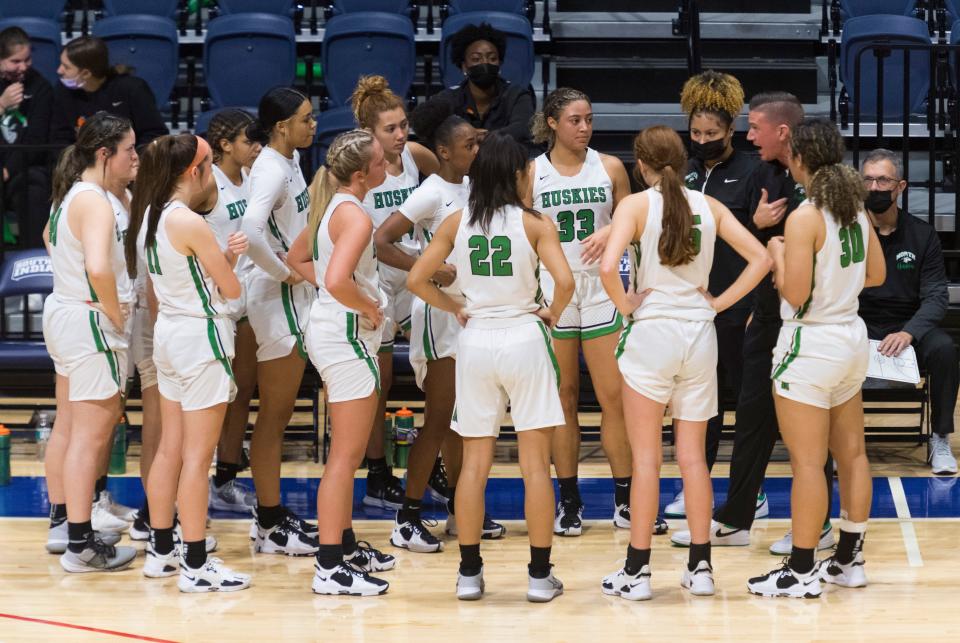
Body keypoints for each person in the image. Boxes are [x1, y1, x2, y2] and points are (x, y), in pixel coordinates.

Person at [598, 126, 769, 600]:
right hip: (699, 334)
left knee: (648, 459)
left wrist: (627, 306)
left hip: (652, 333)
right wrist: (717, 304)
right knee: (694, 460)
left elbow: (608, 266)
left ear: (640, 163)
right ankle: (701, 568)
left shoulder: (634, 205)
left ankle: (637, 572)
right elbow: (759, 259)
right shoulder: (709, 206)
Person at [408, 131, 573, 603]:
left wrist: (453, 305)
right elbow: (564, 281)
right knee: (534, 466)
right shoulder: (536, 223)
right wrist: (553, 313)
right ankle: (540, 578)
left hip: (476, 339)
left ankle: (469, 574)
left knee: (475, 465)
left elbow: (418, 278)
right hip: (524, 335)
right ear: (519, 174)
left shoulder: (457, 220)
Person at [671, 91, 835, 555]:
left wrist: (765, 234)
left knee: (806, 432)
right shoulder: (772, 172)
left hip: (805, 319)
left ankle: (820, 526)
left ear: (783, 132)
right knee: (753, 419)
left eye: (756, 127)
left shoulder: (813, 185)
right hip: (767, 315)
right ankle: (737, 516)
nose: (749, 135)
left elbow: (785, 252)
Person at [748, 117, 885, 598]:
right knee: (852, 454)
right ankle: (848, 560)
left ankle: (801, 568)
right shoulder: (856, 210)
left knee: (807, 463)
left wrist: (778, 254)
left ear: (800, 159)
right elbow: (876, 275)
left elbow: (797, 294)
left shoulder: (805, 216)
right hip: (851, 336)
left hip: (813, 342)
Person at [375, 100, 505, 547]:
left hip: (466, 311)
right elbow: (381, 240)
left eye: (477, 141)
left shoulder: (475, 187)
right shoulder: (430, 191)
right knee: (436, 420)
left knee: (460, 419)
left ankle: (457, 507)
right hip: (436, 312)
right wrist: (424, 265)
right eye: (468, 144)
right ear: (445, 152)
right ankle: (407, 517)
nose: (475, 149)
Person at [126, 133, 251, 592]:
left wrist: (223, 259)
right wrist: (231, 257)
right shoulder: (192, 224)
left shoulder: (148, 216)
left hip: (169, 336)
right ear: (193, 171)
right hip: (200, 337)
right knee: (198, 459)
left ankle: (161, 551)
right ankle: (195, 564)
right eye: (208, 164)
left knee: (170, 450)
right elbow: (230, 292)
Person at [287, 129, 396, 596]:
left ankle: (344, 544)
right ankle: (330, 566)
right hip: (346, 337)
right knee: (344, 459)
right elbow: (333, 277)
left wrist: (342, 296)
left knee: (343, 454)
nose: (386, 161)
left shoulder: (332, 203)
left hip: (331, 330)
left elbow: (296, 258)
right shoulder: (354, 217)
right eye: (378, 158)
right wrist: (368, 307)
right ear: (360, 173)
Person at [523, 88, 636, 536]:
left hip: (603, 288)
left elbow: (633, 222)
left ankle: (625, 497)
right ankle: (569, 499)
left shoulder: (609, 167)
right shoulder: (532, 174)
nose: (585, 127)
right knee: (562, 398)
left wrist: (612, 234)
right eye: (575, 120)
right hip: (555, 288)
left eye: (589, 118)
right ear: (552, 122)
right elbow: (523, 232)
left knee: (615, 398)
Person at [41, 111, 138, 572]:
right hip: (89, 318)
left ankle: (68, 526)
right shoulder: (96, 201)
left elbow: (48, 238)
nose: (136, 157)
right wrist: (116, 314)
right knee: (89, 436)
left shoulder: (69, 196)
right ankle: (80, 543)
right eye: (130, 149)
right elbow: (99, 268)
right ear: (105, 154)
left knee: (72, 427)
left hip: (65, 312)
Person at [665, 71, 759, 518]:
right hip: (689, 307)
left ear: (731, 132)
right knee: (698, 403)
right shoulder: (679, 172)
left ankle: (749, 491)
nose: (702, 140)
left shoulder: (753, 170)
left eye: (711, 134)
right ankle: (694, 482)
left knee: (744, 400)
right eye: (695, 133)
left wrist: (753, 306)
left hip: (736, 306)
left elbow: (764, 248)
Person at [351, 76, 446, 519]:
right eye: (390, 129)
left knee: (440, 372)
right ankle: (378, 472)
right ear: (370, 134)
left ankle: (435, 463)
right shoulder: (357, 167)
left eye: (403, 125)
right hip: (375, 279)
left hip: (413, 274)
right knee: (379, 383)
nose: (401, 134)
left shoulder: (415, 156)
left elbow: (449, 188)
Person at [241, 87, 319, 554]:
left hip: (290, 292)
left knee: (282, 411)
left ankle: (269, 513)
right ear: (280, 127)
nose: (313, 126)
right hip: (276, 297)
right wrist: (284, 270)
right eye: (305, 119)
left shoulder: (288, 161)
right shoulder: (271, 167)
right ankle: (269, 521)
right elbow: (249, 231)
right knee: (273, 413)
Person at [857, 149, 958, 475]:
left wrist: (908, 332)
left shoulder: (921, 234)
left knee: (944, 349)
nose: (875, 187)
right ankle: (837, 442)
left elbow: (936, 297)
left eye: (883, 180)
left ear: (899, 186)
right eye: (868, 180)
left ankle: (940, 438)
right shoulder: (849, 231)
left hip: (906, 324)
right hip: (859, 322)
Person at [197, 109, 262, 512]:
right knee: (213, 400)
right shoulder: (206, 186)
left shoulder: (253, 179)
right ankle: (197, 480)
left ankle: (225, 478)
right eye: (247, 141)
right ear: (224, 145)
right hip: (217, 301)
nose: (255, 147)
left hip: (250, 297)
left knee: (241, 396)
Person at [426, 22, 536, 150]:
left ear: (499, 63)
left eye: (492, 58)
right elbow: (430, 129)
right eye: (476, 59)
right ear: (464, 66)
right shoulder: (449, 98)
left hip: (505, 161)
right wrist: (467, 135)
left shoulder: (517, 95)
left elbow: (523, 128)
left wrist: (487, 137)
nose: (485, 63)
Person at [51, 36, 168, 148]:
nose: (59, 70)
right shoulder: (63, 91)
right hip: (84, 165)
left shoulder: (132, 89)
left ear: (86, 73)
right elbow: (60, 138)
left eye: (66, 67)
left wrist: (131, 159)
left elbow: (155, 134)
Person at [0, 26, 53, 248]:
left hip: (21, 168)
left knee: (34, 187)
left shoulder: (40, 87)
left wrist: (7, 170)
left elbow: (36, 141)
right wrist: (2, 105)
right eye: (15, 61)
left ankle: (31, 260)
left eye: (27, 60)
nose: (23, 67)